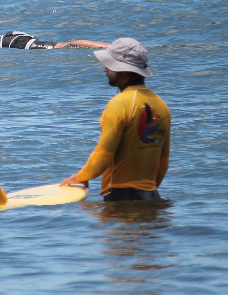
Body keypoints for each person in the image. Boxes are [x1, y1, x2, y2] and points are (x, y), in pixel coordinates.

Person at [59, 38, 171, 201]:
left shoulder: (119, 103)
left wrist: (80, 177)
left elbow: (103, 155)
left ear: (123, 71)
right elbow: (163, 164)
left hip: (122, 197)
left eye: (109, 65)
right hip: (152, 196)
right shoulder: (161, 105)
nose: (104, 69)